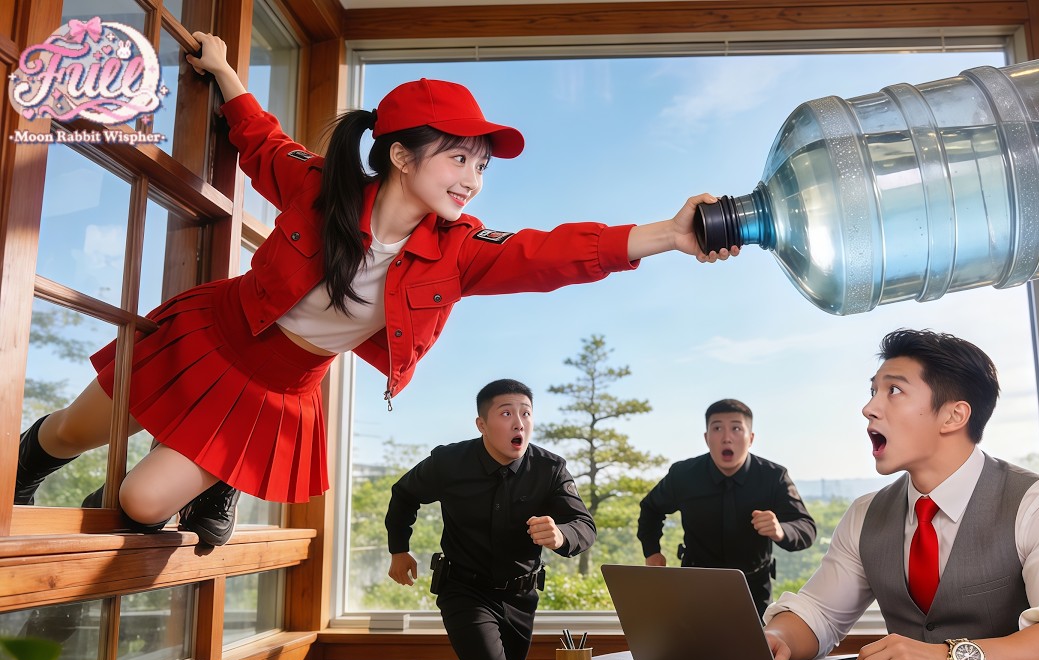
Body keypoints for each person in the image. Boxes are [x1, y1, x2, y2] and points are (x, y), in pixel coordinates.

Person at [10, 31, 733, 546]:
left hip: (270, 392)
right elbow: (261, 142)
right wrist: (227, 71)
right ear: (398, 155)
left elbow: (549, 253)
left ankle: (215, 475)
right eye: (457, 157)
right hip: (209, 335)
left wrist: (668, 234)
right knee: (75, 431)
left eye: (481, 165)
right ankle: (29, 464)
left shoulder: (461, 252)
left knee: (137, 502)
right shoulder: (319, 188)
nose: (471, 178)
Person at [762, 329, 1039, 660]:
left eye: (893, 390)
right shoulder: (865, 514)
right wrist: (778, 637)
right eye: (873, 390)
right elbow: (819, 613)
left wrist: (948, 659)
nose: (868, 408)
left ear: (954, 416)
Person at [384, 379, 592, 660]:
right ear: (482, 424)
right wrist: (399, 549)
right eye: (506, 413)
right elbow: (404, 494)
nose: (519, 422)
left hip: (521, 596)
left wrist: (560, 535)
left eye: (526, 413)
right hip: (464, 589)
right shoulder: (449, 461)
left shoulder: (550, 469)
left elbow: (584, 525)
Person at [636, 399, 816, 617]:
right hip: (694, 585)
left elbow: (806, 528)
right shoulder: (683, 474)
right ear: (706, 438)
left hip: (753, 589)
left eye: (736, 428)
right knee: (693, 648)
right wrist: (652, 551)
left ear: (750, 438)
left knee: (750, 650)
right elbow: (651, 508)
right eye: (717, 428)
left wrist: (781, 530)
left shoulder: (773, 477)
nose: (726, 437)